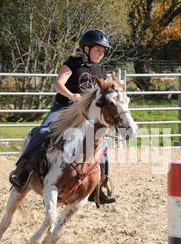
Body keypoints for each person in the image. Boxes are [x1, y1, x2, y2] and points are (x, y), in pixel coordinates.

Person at [9, 29, 116, 204]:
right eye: (98, 50)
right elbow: (59, 84)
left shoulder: (101, 71)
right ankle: (22, 172)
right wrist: (73, 96)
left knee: (101, 145)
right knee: (43, 132)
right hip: (63, 109)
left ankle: (99, 188)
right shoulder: (72, 64)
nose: (101, 54)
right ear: (86, 49)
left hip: (83, 116)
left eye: (103, 51)